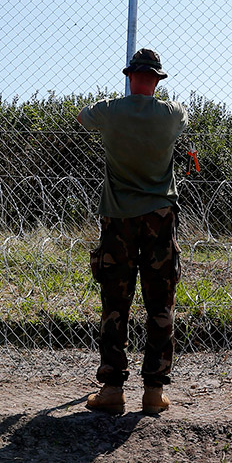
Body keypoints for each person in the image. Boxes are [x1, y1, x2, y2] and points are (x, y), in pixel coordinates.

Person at [77, 48, 189, 415]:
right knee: (160, 303)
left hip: (117, 218)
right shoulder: (172, 113)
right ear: (157, 80)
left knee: (115, 303)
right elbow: (181, 124)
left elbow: (82, 117)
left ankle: (112, 389)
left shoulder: (109, 111)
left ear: (130, 77)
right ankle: (154, 392)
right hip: (159, 217)